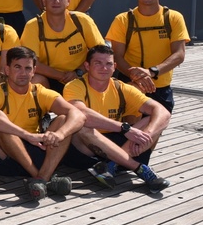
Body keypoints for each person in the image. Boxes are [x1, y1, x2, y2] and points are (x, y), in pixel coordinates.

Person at [0, 46, 85, 200]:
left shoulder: (40, 92)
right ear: (7, 70)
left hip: (34, 149)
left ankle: (41, 179)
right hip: (3, 157)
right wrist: (26, 135)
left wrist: (60, 134)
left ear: (34, 71)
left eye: (28, 68)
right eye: (17, 67)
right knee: (0, 126)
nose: (23, 73)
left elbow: (78, 115)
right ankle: (42, 178)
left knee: (63, 120)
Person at [63, 45, 171, 191]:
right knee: (81, 124)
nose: (104, 68)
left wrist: (145, 135)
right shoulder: (74, 86)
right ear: (87, 66)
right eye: (98, 63)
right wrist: (124, 128)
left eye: (108, 64)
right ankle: (138, 168)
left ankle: (110, 166)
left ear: (114, 67)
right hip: (88, 148)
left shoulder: (121, 87)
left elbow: (163, 112)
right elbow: (82, 114)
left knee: (154, 120)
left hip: (117, 142)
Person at [105, 0, 189, 112]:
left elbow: (179, 55)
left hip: (161, 87)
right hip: (131, 85)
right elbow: (117, 56)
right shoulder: (122, 20)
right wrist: (136, 76)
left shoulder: (174, 18)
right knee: (133, 130)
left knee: (155, 128)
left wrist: (151, 72)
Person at [19, 0, 105, 93]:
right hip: (51, 77)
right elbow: (31, 62)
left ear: (68, 0)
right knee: (34, 80)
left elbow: (100, 53)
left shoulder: (82, 20)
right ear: (44, 0)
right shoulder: (33, 26)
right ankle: (43, 109)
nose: (56, 1)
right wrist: (61, 76)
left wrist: (78, 72)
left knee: (102, 68)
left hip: (81, 75)